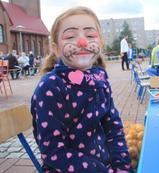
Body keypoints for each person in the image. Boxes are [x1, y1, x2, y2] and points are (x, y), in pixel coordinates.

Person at [30, 7, 132, 173]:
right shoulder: (51, 86)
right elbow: (53, 151)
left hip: (105, 165)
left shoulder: (99, 79)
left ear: (100, 44)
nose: (82, 42)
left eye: (90, 35)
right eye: (70, 36)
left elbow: (113, 128)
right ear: (56, 49)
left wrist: (122, 167)